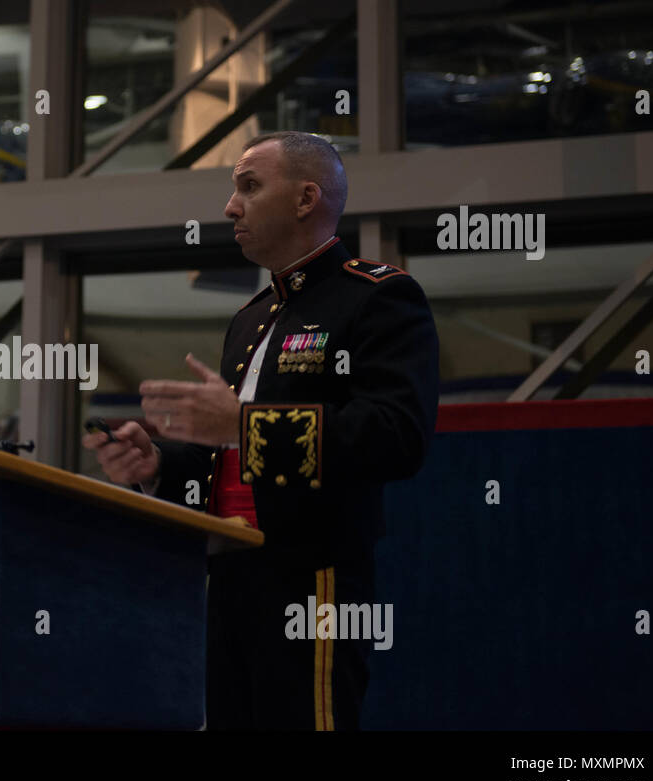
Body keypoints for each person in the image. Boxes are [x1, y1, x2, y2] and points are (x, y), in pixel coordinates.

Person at [82, 131, 439, 730]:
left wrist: (244, 424)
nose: (230, 207)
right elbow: (230, 459)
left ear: (306, 199)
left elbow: (395, 437)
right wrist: (161, 465)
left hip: (313, 578)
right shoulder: (249, 319)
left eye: (249, 186)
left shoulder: (377, 298)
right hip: (228, 576)